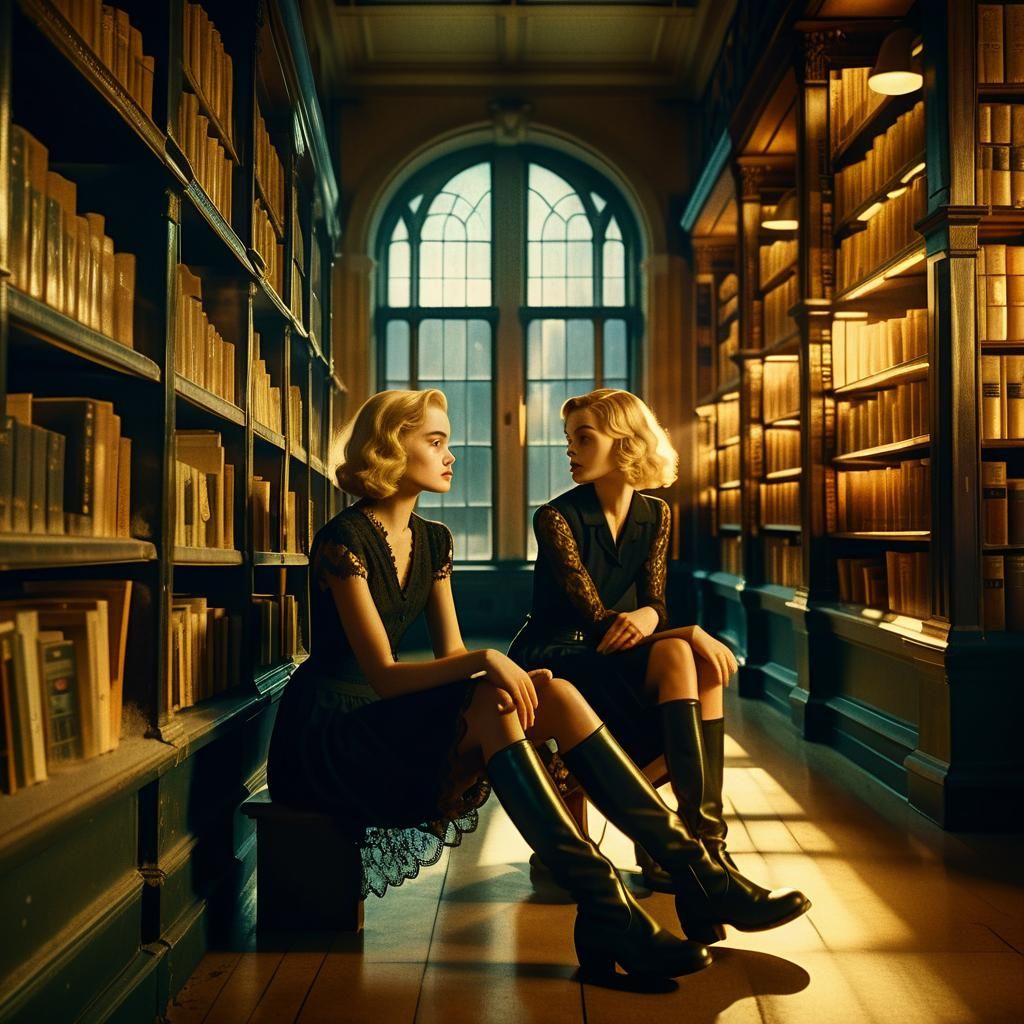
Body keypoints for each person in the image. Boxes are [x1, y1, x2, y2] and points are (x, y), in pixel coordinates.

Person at [508, 388, 810, 939]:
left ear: (624, 442)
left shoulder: (656, 513)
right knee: (680, 647)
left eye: (583, 438)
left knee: (696, 661)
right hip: (558, 656)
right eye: (569, 439)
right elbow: (597, 615)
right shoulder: (553, 517)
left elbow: (654, 601)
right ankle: (707, 868)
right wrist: (680, 627)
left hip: (613, 653)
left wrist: (657, 619)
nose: (569, 451)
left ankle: (705, 858)